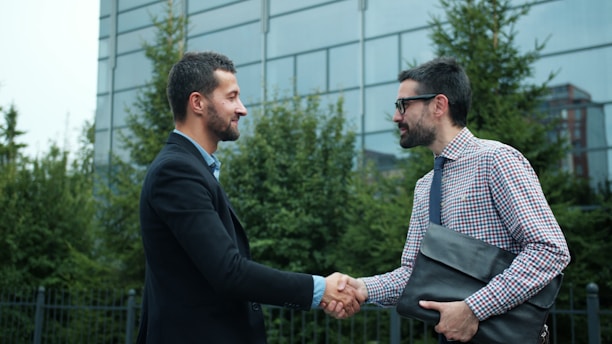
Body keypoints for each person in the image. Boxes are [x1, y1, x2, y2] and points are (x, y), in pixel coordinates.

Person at [324, 57, 570, 343]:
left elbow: (550, 250)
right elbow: (415, 274)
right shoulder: (425, 186)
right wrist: (361, 289)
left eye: (404, 104)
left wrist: (473, 309)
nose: (396, 116)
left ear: (439, 105)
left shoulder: (496, 160)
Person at [136, 51, 363, 344]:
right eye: (231, 97)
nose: (241, 109)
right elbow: (228, 272)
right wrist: (319, 290)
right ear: (197, 103)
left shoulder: (192, 168)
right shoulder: (177, 171)